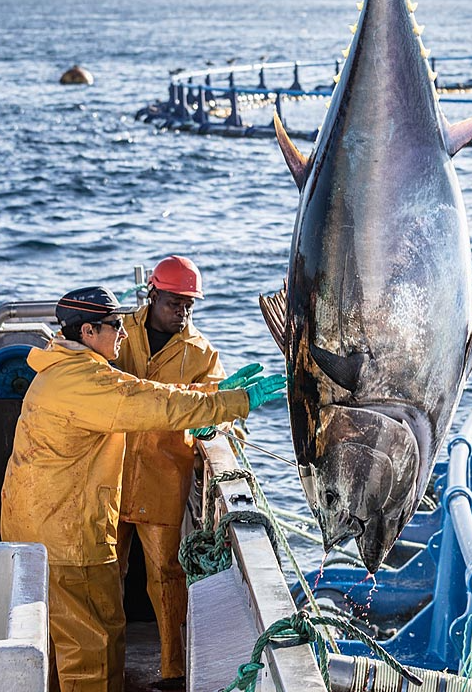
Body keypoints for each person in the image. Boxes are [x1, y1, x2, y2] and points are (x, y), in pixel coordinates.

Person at [0, 285, 281, 692]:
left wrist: (213, 392)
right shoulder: (87, 381)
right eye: (114, 325)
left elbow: (146, 393)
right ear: (87, 331)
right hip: (69, 539)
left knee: (58, 645)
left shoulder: (62, 369)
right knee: (92, 649)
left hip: (36, 529)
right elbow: (154, 404)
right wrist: (234, 402)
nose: (122, 332)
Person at [114, 256, 223, 687]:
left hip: (162, 478)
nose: (182, 313)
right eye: (174, 303)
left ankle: (173, 670)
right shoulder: (119, 334)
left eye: (189, 306)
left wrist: (218, 425)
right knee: (103, 574)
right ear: (153, 295)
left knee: (166, 577)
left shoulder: (202, 353)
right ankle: (105, 665)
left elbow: (217, 406)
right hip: (109, 476)